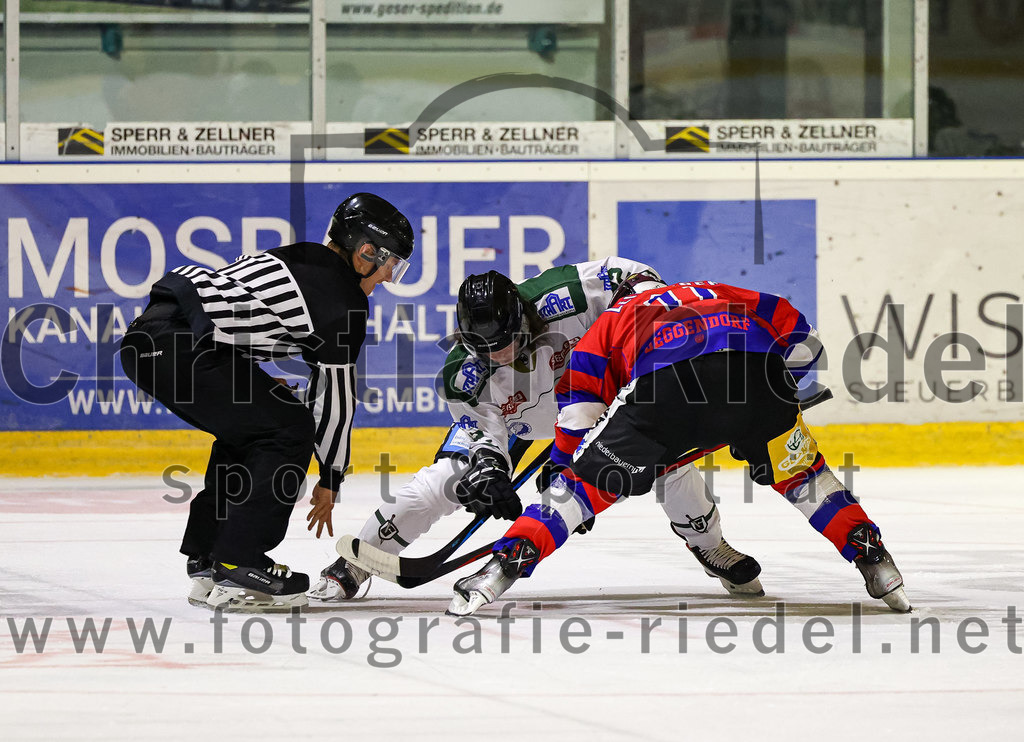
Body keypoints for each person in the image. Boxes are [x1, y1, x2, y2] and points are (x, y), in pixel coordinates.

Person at [447, 277, 911, 616]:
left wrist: (567, 465)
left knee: (580, 492)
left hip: (665, 392)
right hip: (757, 377)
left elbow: (577, 414)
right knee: (806, 477)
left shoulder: (607, 322)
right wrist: (775, 391)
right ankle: (875, 560)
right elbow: (804, 339)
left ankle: (500, 570)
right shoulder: (716, 287)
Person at [310, 262, 765, 601]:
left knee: (665, 459)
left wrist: (581, 461)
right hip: (524, 418)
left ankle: (711, 547)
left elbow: (638, 278)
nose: (500, 355)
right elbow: (485, 432)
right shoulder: (463, 374)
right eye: (485, 349)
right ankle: (354, 564)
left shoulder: (568, 296)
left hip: (599, 396)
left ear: (524, 317)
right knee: (448, 479)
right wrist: (488, 471)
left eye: (506, 340)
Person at [120, 193, 414, 612]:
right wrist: (330, 477)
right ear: (365, 251)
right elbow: (335, 399)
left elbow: (228, 309)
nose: (387, 278)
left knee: (255, 427)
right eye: (391, 264)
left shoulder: (299, 255)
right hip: (183, 348)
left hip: (147, 339)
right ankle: (240, 561)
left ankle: (209, 559)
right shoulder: (344, 299)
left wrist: (241, 373)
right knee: (289, 428)